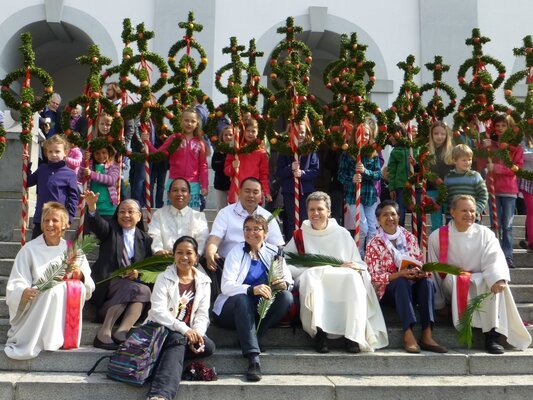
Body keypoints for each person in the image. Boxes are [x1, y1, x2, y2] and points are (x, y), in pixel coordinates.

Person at [284, 191, 388, 354]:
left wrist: (353, 266)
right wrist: (312, 269)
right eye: (312, 210)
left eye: (320, 209)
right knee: (313, 278)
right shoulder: (300, 235)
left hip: (341, 277)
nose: (315, 213)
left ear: (329, 211)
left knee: (353, 278)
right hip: (314, 277)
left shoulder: (342, 233)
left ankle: (352, 336)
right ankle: (320, 334)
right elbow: (287, 263)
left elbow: (359, 263)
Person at [428, 194, 532, 354]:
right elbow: (434, 271)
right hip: (452, 283)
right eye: (464, 210)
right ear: (452, 212)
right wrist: (439, 304)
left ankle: (491, 336)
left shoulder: (485, 233)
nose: (469, 215)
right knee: (457, 279)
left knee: (491, 282)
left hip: (480, 279)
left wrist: (497, 278)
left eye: (472, 211)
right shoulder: (438, 236)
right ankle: (459, 315)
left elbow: (494, 257)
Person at [5, 202, 94, 360]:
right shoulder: (29, 249)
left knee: (71, 288)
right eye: (46, 220)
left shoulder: (73, 250)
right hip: (36, 301)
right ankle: (39, 337)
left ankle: (58, 336)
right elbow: (18, 279)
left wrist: (79, 274)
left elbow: (88, 286)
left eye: (55, 220)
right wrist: (23, 291)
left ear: (65, 225)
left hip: (64, 303)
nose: (49, 224)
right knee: (51, 290)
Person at [213, 215, 293, 381]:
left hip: (260, 312)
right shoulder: (235, 252)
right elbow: (226, 286)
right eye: (247, 229)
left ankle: (252, 336)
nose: (251, 233)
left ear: (265, 232)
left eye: (256, 229)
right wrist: (251, 290)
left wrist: (283, 284)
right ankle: (253, 359)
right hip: (232, 310)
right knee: (243, 299)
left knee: (286, 297)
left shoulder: (274, 252)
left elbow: (289, 280)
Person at [365, 200, 447, 354]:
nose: (390, 218)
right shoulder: (373, 244)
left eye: (393, 214)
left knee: (427, 282)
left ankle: (427, 334)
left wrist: (421, 272)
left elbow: (420, 261)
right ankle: (408, 333)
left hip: (411, 284)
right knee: (401, 281)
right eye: (385, 215)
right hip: (388, 292)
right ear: (378, 220)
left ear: (398, 216)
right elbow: (374, 276)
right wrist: (399, 274)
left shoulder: (409, 237)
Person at [145, 236, 215, 400]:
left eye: (189, 253)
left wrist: (197, 333)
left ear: (196, 257)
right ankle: (160, 395)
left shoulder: (204, 281)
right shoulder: (164, 277)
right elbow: (158, 311)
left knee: (208, 346)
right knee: (179, 339)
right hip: (162, 329)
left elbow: (203, 313)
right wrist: (185, 330)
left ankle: (164, 360)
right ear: (173, 256)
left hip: (185, 333)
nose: (184, 257)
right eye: (179, 253)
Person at [84, 191, 153, 350]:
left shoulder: (145, 239)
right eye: (122, 211)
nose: (126, 215)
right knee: (134, 288)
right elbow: (98, 225)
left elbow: (149, 268)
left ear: (138, 216)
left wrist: (138, 273)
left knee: (144, 291)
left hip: (131, 286)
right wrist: (92, 206)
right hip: (107, 283)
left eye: (130, 212)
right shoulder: (110, 230)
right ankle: (103, 333)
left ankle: (122, 331)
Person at [205, 177, 284, 271]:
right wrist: (210, 251)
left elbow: (277, 245)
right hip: (229, 265)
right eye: (247, 191)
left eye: (255, 192)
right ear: (239, 192)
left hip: (259, 267)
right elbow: (215, 237)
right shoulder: (225, 213)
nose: (251, 195)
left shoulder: (267, 216)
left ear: (261, 195)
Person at [479, 114, 524, 268]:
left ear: (509, 127)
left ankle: (507, 255)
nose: (500, 128)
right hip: (493, 189)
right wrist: (482, 148)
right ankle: (495, 254)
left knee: (507, 225)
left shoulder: (515, 147)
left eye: (503, 125)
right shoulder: (490, 144)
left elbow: (516, 168)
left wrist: (496, 168)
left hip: (509, 190)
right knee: (494, 224)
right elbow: (480, 162)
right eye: (497, 126)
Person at [142, 107, 208, 210]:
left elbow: (203, 165)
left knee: (191, 217)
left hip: (193, 185)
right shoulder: (174, 138)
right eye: (186, 120)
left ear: (197, 124)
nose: (189, 124)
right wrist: (147, 143)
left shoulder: (200, 142)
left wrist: (204, 185)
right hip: (174, 182)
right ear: (181, 121)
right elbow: (159, 153)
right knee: (172, 216)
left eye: (192, 121)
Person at [338, 122, 381, 257]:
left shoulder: (373, 153)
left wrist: (366, 172)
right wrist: (352, 178)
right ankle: (359, 255)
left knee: (372, 230)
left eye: (367, 134)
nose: (364, 137)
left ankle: (370, 256)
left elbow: (378, 175)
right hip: (353, 196)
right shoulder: (348, 153)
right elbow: (340, 175)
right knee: (362, 228)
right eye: (361, 134)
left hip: (369, 196)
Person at [26, 134, 79, 239]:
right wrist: (26, 166)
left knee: (54, 249)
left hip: (57, 219)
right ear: (46, 153)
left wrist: (69, 219)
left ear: (65, 153)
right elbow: (28, 182)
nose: (53, 154)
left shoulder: (70, 174)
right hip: (41, 218)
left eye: (57, 151)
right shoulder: (42, 169)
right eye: (50, 151)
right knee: (37, 248)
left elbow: (73, 198)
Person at [276, 119, 320, 241]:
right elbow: (279, 172)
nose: (299, 135)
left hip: (306, 191)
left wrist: (303, 173)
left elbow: (315, 171)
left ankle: (305, 246)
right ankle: (292, 246)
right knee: (291, 220)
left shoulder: (310, 149)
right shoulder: (285, 150)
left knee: (305, 221)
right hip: (290, 191)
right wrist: (291, 168)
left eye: (302, 132)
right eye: (296, 132)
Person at [148, 178, 209, 256]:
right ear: (169, 195)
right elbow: (154, 235)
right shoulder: (159, 214)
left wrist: (197, 255)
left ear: (190, 196)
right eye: (175, 190)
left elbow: (202, 239)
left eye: (183, 190)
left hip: (191, 262)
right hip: (164, 260)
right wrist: (159, 251)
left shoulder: (199, 217)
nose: (179, 193)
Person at [224, 118, 271, 204]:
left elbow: (264, 175)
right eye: (248, 131)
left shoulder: (261, 153)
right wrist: (233, 167)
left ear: (258, 133)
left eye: (253, 131)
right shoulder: (236, 150)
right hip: (237, 192)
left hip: (253, 194)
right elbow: (227, 172)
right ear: (244, 132)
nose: (250, 133)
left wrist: (266, 191)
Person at [443, 144, 488, 222]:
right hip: (453, 218)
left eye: (469, 159)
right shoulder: (448, 178)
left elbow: (483, 195)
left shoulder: (475, 176)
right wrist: (449, 212)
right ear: (455, 161)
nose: (467, 162)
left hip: (472, 218)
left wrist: (475, 210)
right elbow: (445, 198)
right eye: (464, 160)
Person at [79, 141, 120, 221]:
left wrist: (92, 174)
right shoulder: (90, 166)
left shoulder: (113, 166)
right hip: (92, 208)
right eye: (97, 153)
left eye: (104, 152)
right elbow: (80, 177)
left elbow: (111, 180)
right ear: (93, 155)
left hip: (109, 208)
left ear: (109, 153)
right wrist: (84, 161)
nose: (101, 156)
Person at [386, 123, 415, 227]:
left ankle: (416, 239)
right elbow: (392, 171)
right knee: (400, 214)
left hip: (414, 186)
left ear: (400, 134)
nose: (390, 138)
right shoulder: (395, 152)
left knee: (416, 215)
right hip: (401, 186)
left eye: (392, 135)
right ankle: (400, 236)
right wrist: (391, 188)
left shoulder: (412, 149)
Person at [426, 121, 453, 231]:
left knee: (450, 221)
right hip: (432, 190)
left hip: (448, 190)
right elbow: (423, 170)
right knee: (436, 223)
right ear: (432, 135)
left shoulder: (451, 151)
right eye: (436, 133)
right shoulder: (427, 151)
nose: (439, 136)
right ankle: (435, 246)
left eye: (442, 134)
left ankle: (449, 246)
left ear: (446, 135)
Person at [211, 118, 234, 211]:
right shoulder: (218, 150)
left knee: (234, 209)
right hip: (220, 185)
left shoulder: (236, 150)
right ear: (222, 137)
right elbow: (214, 165)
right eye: (226, 135)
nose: (228, 137)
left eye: (230, 135)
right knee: (221, 209)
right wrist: (227, 162)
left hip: (232, 185)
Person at [518, 128, 533, 252]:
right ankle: (531, 241)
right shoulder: (523, 139)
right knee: (531, 209)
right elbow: (521, 154)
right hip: (527, 179)